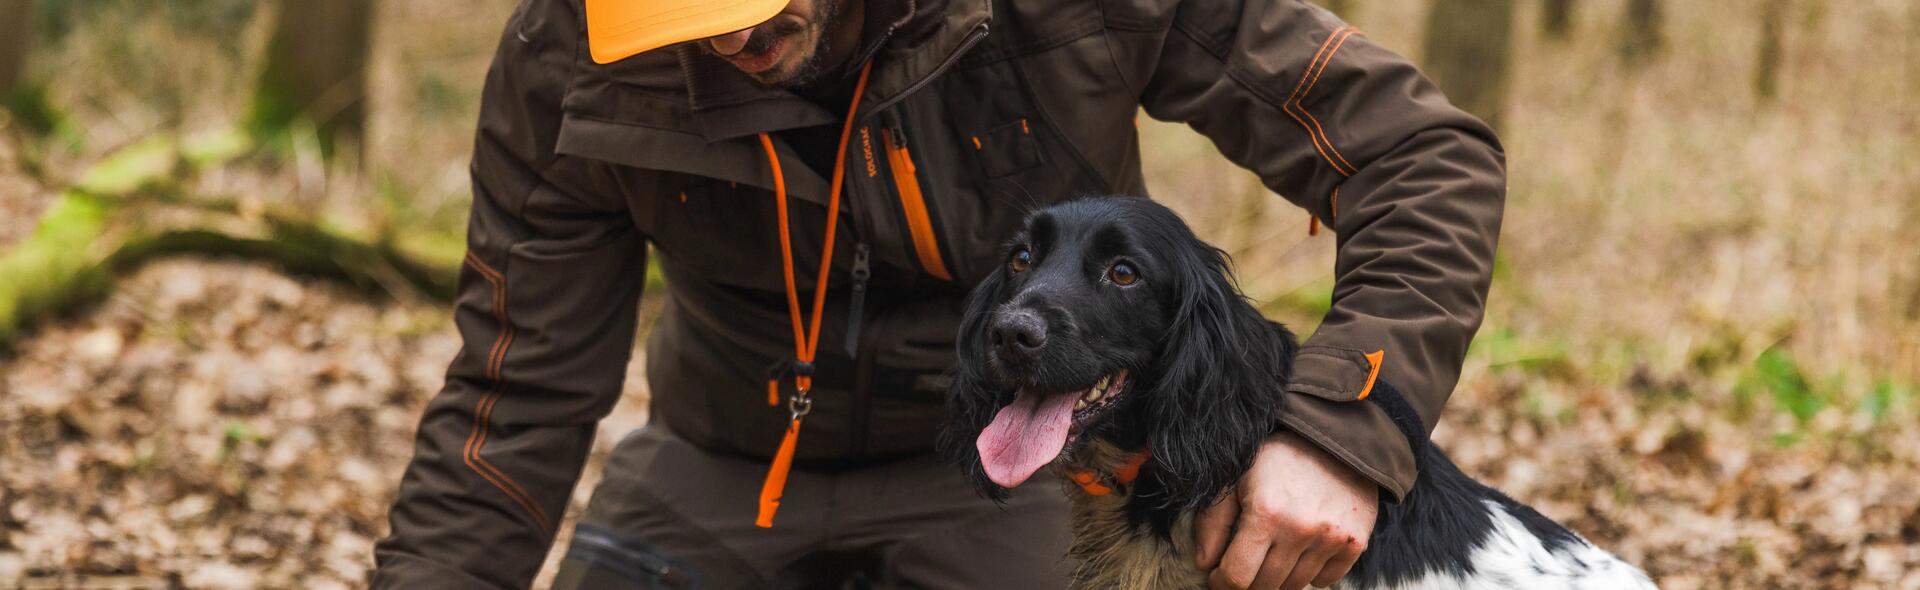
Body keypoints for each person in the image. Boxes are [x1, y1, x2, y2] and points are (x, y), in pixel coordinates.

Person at [370, 0, 1505, 588]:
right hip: (719, 460)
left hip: (1036, 470)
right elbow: (511, 399)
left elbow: (1421, 158)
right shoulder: (565, 55)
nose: (734, 40)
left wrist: (1346, 428)